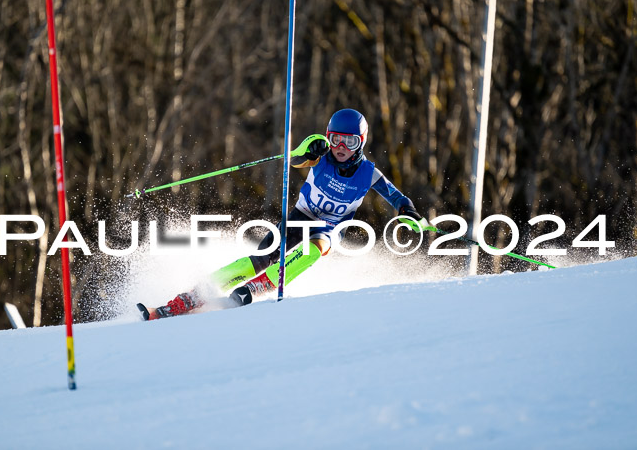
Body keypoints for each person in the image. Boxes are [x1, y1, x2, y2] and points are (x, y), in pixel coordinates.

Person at [138, 108, 424, 320]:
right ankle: (190, 297)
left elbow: (397, 197)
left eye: (349, 143)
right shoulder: (320, 152)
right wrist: (310, 148)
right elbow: (298, 158)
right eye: (336, 139)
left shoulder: (369, 173)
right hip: (300, 217)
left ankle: (258, 287)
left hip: (329, 229)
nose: (340, 148)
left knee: (315, 251)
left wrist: (407, 211)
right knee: (262, 257)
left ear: (360, 142)